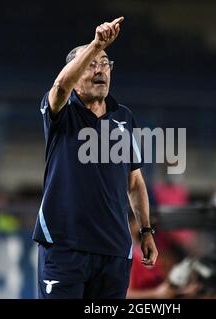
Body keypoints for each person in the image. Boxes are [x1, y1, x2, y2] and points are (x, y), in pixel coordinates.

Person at [32, 17, 158, 299]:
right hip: (65, 247)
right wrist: (96, 44)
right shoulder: (62, 112)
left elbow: (134, 181)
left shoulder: (124, 118)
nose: (100, 70)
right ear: (75, 74)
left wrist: (146, 231)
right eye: (91, 64)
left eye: (105, 63)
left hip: (114, 252)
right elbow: (61, 85)